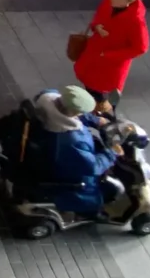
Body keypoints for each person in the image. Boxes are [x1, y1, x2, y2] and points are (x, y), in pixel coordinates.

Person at [30, 86, 119, 217]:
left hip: (50, 149)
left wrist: (95, 120)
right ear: (74, 112)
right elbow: (93, 167)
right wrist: (111, 152)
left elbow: (65, 112)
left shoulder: (46, 98)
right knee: (90, 186)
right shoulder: (73, 139)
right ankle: (90, 211)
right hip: (66, 168)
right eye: (81, 112)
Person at [74, 0, 149, 107]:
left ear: (127, 1)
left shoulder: (135, 22)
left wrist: (109, 55)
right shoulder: (108, 2)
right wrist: (97, 26)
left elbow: (140, 48)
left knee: (104, 98)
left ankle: (105, 116)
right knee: (89, 86)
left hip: (110, 66)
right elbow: (98, 16)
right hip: (94, 53)